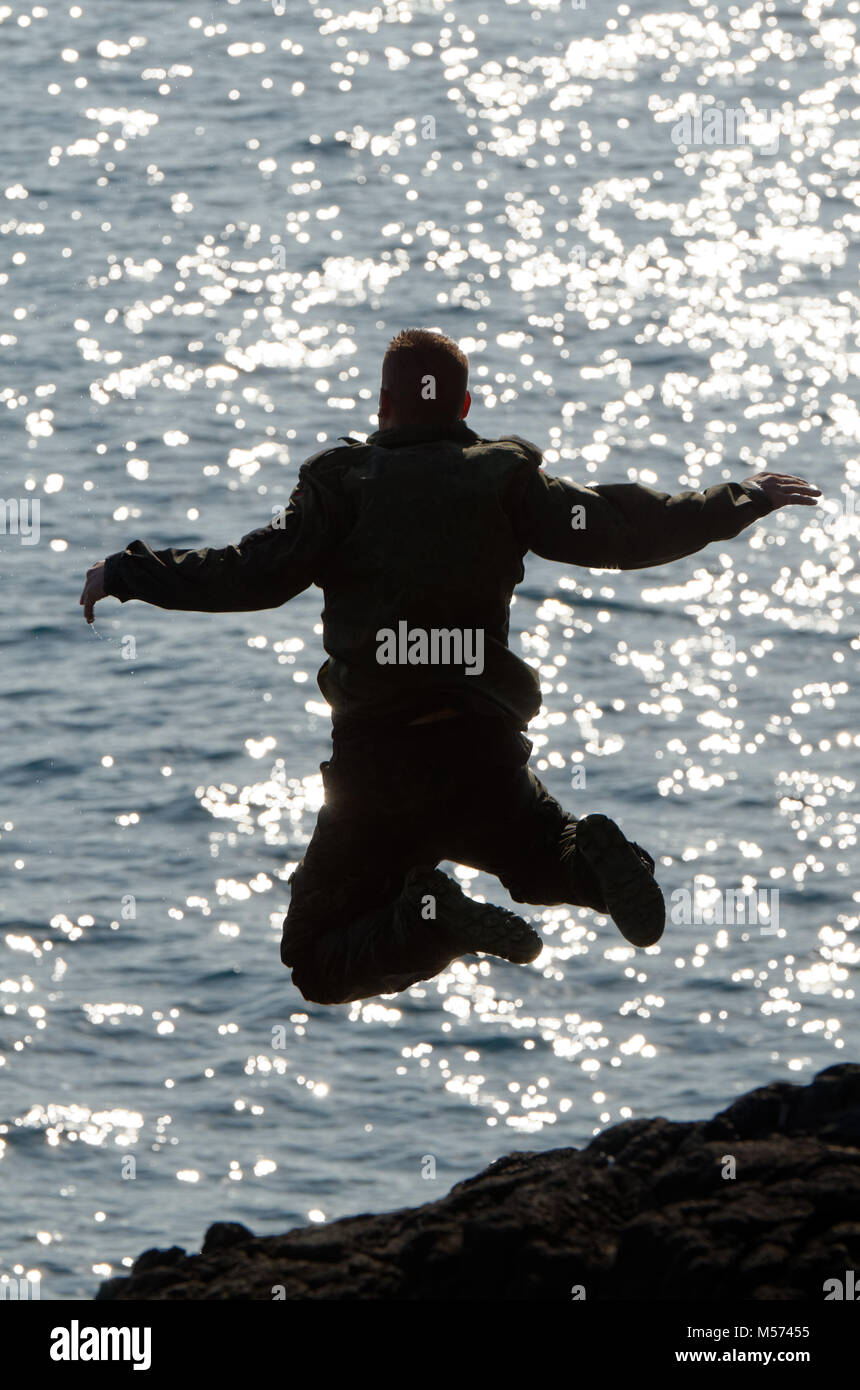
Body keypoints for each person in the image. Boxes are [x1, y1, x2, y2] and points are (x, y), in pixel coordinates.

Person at [80, 328, 821, 1005]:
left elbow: (249, 573)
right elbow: (624, 528)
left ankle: (431, 925)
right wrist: (741, 499)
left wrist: (129, 572)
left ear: (382, 405)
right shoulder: (501, 478)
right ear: (463, 404)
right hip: (482, 752)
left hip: (379, 769)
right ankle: (595, 862)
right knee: (540, 858)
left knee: (316, 958)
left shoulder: (342, 486)